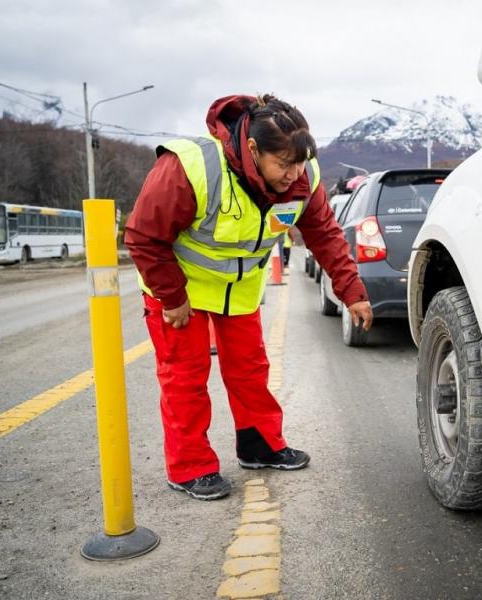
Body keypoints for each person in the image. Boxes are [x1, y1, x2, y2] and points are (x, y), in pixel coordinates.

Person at [125, 94, 373, 501]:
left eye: (298, 163)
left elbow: (324, 235)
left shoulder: (302, 176)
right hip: (178, 290)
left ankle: (259, 446)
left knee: (250, 372)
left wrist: (353, 293)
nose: (293, 175)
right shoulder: (191, 167)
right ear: (253, 150)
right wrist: (171, 297)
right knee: (185, 379)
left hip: (237, 293)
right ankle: (191, 468)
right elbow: (143, 236)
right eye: (283, 164)